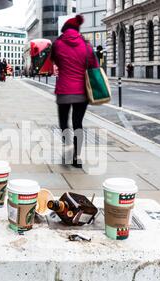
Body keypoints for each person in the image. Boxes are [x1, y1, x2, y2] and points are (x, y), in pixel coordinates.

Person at [50, 14, 99, 168]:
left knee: (64, 122)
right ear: (78, 29)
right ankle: (77, 158)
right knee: (78, 123)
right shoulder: (87, 45)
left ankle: (67, 146)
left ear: (65, 29)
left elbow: (55, 60)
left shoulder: (57, 43)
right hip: (81, 92)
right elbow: (94, 67)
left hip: (64, 90)